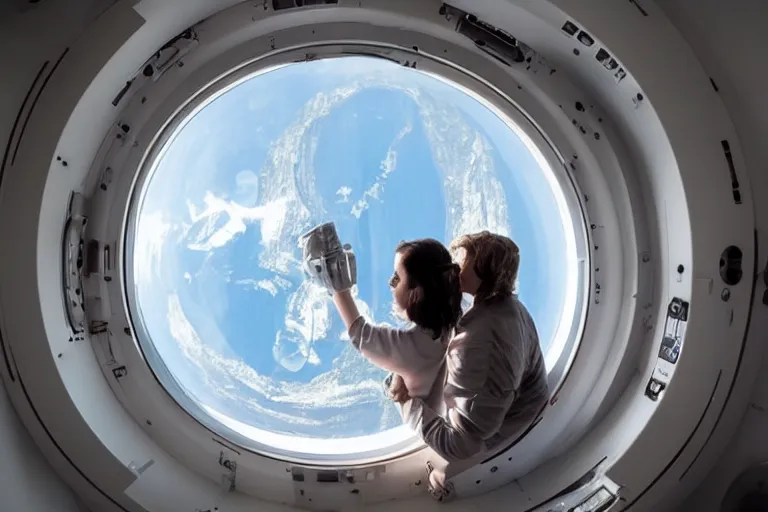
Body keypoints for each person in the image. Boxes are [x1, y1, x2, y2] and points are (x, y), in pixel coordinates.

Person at [391, 231, 549, 502]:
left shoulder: (483, 346)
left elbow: (461, 444)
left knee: (442, 472)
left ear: (485, 271)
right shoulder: (503, 308)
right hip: (518, 402)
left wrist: (406, 404)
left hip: (510, 429)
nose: (456, 266)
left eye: (466, 259)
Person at [331, 238, 463, 406]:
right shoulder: (446, 321)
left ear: (415, 294)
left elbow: (361, 335)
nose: (390, 283)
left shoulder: (413, 346)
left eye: (396, 278)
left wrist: (336, 285)